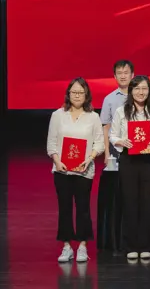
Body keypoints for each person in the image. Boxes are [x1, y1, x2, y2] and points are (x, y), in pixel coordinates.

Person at [46, 78, 104, 263]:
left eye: (81, 92)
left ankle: (82, 246)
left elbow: (99, 143)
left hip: (84, 171)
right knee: (64, 208)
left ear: (86, 95)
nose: (77, 96)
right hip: (61, 170)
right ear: (68, 94)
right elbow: (51, 143)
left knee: (83, 208)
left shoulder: (93, 117)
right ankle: (66, 246)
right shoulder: (58, 115)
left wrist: (89, 158)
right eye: (74, 92)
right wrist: (57, 161)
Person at [110, 76, 150, 260]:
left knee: (148, 202)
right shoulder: (121, 111)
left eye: (144, 89)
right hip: (129, 160)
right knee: (130, 201)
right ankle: (131, 245)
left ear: (149, 91)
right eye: (137, 89)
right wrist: (121, 141)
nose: (141, 92)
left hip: (149, 160)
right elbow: (112, 135)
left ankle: (147, 245)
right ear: (131, 90)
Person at [100, 60, 134, 164]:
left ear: (132, 75)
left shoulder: (140, 96)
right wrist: (107, 153)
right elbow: (106, 128)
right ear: (115, 76)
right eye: (119, 73)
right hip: (115, 147)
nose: (123, 76)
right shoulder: (109, 99)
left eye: (126, 73)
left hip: (137, 144)